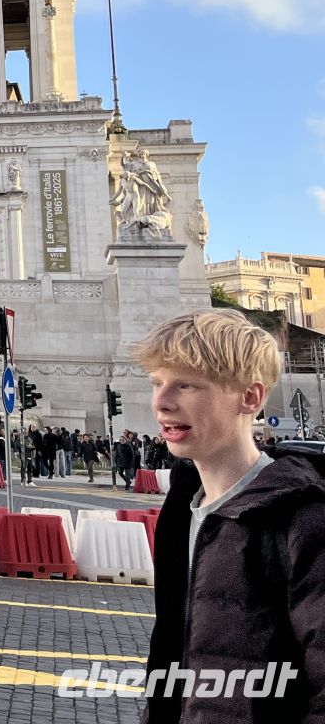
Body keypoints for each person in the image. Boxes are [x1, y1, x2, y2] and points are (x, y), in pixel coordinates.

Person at [137, 308, 325, 719]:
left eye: (185, 385)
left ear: (249, 397)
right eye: (157, 383)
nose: (161, 402)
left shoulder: (304, 517)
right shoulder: (181, 512)